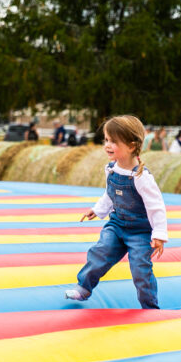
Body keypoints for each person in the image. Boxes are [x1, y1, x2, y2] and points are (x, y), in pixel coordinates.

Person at [65, 115, 168, 309]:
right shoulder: (111, 169)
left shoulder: (141, 177)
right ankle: (84, 288)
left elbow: (156, 207)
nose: (107, 145)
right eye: (106, 140)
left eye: (113, 141)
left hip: (140, 231)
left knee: (140, 269)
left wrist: (159, 235)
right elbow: (110, 194)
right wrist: (98, 209)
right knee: (100, 253)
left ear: (131, 146)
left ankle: (150, 307)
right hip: (117, 225)